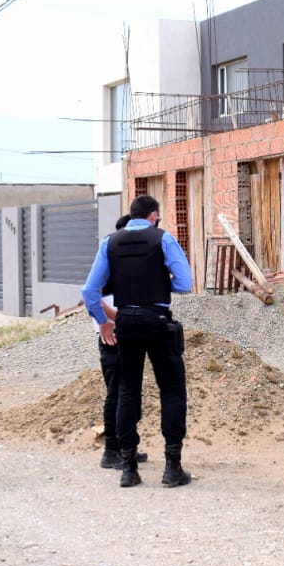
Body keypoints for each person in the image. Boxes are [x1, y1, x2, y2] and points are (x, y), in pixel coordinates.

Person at [81, 195, 192, 487]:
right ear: (154, 215)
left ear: (132, 215)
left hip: (125, 324)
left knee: (127, 392)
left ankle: (128, 468)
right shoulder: (163, 239)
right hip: (157, 322)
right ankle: (172, 468)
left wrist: (104, 323)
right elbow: (184, 284)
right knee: (171, 391)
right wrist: (156, 278)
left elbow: (89, 291)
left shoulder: (110, 242)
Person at [95, 215, 146, 470]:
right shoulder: (108, 256)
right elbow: (90, 293)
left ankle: (128, 447)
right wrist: (117, 319)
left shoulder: (123, 258)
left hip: (128, 333)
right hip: (112, 336)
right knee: (117, 394)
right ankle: (111, 450)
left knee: (130, 393)